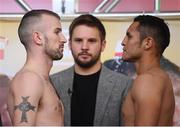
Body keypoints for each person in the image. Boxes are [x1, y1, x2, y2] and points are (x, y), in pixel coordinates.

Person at [50, 14, 133, 126]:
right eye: (78, 40)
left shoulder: (124, 85)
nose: (84, 47)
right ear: (69, 44)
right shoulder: (53, 83)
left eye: (92, 41)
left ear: (103, 45)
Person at [7, 9, 66, 126]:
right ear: (38, 38)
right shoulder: (29, 79)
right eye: (57, 32)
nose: (63, 39)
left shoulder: (42, 79)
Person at [121, 15, 175, 125]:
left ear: (147, 43)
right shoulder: (159, 77)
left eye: (129, 36)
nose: (123, 42)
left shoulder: (147, 80)